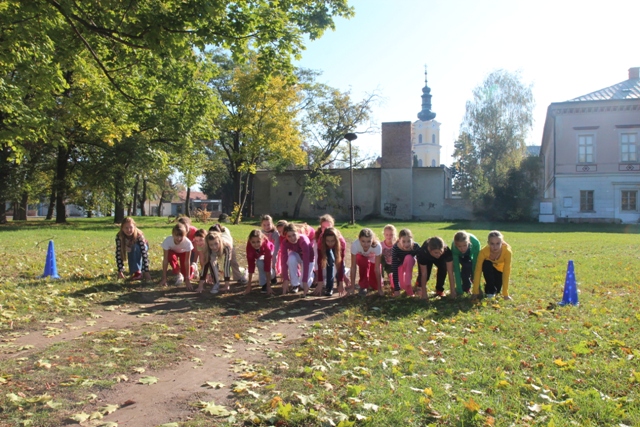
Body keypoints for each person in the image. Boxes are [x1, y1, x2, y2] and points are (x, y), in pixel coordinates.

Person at [472, 230, 513, 300]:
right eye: (492, 244)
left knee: (497, 290)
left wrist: (505, 294)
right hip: (488, 269)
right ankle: (490, 290)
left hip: (500, 270)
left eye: (498, 243)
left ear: (502, 242)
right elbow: (478, 271)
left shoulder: (507, 252)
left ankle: (489, 287)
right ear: (488, 243)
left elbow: (506, 271)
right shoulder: (483, 252)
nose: (495, 247)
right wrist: (475, 292)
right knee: (486, 263)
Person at [279, 223, 315, 296]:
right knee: (291, 258)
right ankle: (295, 284)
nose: (292, 238)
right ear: (286, 237)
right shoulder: (285, 243)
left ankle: (313, 274)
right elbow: (283, 261)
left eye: (294, 235)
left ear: (297, 233)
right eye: (289, 236)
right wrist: (285, 279)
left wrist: (305, 281)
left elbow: (306, 261)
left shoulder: (303, 240)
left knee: (303, 285)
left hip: (308, 259)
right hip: (297, 255)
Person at [159, 223, 194, 289]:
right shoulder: (167, 241)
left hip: (183, 253)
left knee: (185, 273)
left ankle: (193, 268)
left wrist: (187, 279)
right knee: (170, 256)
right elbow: (165, 260)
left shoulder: (187, 243)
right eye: (176, 236)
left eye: (181, 236)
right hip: (173, 252)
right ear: (173, 234)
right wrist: (164, 278)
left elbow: (187, 261)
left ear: (185, 235)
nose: (179, 238)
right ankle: (178, 273)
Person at [350, 228, 383, 296]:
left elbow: (377, 268)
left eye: (368, 241)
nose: (366, 244)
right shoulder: (355, 245)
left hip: (373, 259)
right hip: (361, 258)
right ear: (359, 239)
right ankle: (363, 285)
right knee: (363, 262)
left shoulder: (377, 246)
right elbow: (353, 267)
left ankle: (375, 282)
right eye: (363, 241)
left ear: (372, 240)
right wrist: (352, 288)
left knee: (375, 286)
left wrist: (379, 289)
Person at [315, 227, 346, 296]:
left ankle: (339, 282)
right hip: (324, 247)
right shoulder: (321, 242)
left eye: (332, 241)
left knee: (338, 262)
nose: (330, 243)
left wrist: (341, 282)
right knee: (329, 261)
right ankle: (329, 287)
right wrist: (320, 282)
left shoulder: (342, 242)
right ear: (324, 240)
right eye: (328, 241)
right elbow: (320, 262)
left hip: (337, 247)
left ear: (336, 240)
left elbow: (340, 263)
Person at [391, 229, 420, 297]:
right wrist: (396, 289)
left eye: (409, 241)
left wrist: (420, 285)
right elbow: (394, 266)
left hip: (409, 262)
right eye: (403, 241)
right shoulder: (395, 248)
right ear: (399, 240)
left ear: (412, 239)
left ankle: (408, 285)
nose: (406, 244)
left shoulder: (416, 247)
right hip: (400, 265)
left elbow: (422, 264)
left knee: (408, 257)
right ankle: (392, 278)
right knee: (401, 286)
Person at [245, 229, 274, 295]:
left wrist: (269, 287)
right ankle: (264, 284)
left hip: (270, 252)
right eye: (253, 242)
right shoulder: (249, 247)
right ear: (250, 241)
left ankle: (272, 276)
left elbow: (267, 265)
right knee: (259, 262)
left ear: (262, 240)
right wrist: (249, 286)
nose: (256, 244)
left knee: (265, 266)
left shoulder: (266, 245)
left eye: (258, 241)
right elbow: (251, 265)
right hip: (259, 254)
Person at [260, 214, 280, 285]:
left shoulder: (275, 233)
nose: (266, 227)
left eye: (268, 224)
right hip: (265, 251)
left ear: (272, 224)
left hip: (274, 251)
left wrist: (272, 254)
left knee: (273, 260)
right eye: (264, 225)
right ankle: (264, 277)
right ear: (261, 225)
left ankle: (273, 275)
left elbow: (276, 247)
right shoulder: (261, 233)